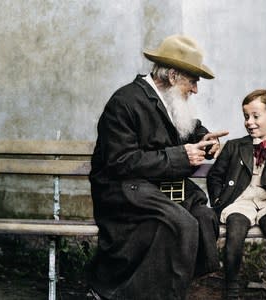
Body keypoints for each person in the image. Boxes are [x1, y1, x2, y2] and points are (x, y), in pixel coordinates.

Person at [87, 34, 229, 300]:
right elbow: (120, 162)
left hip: (156, 187)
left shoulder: (170, 99)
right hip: (121, 191)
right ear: (173, 76)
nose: (196, 89)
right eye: (193, 80)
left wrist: (205, 140)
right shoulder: (124, 102)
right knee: (181, 224)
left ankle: (162, 290)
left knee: (203, 216)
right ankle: (117, 293)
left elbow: (191, 129)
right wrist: (180, 156)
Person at [207, 90, 266, 300]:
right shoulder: (235, 146)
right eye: (246, 117)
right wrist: (217, 199)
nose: (249, 122)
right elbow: (215, 176)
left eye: (255, 116)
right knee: (235, 232)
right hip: (240, 201)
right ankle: (231, 289)